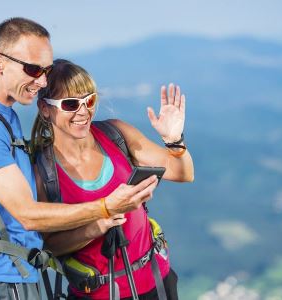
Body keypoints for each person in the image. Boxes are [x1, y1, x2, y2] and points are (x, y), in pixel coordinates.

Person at [0, 17, 158, 300]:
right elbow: (28, 215)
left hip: (13, 280)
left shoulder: (1, 118)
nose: (42, 80)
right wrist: (106, 206)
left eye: (45, 70)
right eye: (33, 69)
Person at [31, 59, 194, 299]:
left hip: (157, 283)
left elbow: (183, 173)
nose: (83, 111)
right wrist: (99, 222)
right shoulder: (42, 172)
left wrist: (174, 140)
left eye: (90, 100)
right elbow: (49, 245)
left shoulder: (116, 134)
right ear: (45, 108)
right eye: (70, 104)